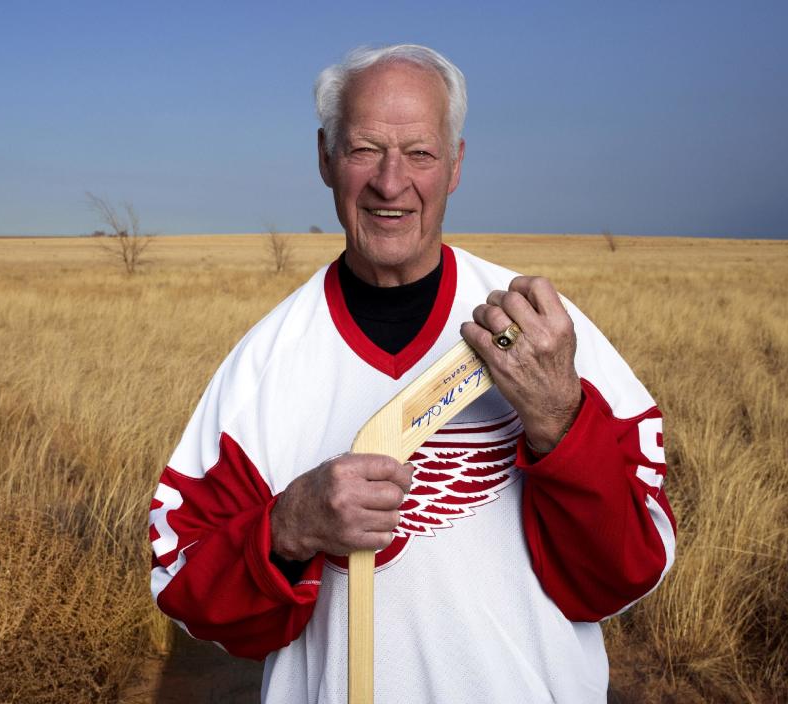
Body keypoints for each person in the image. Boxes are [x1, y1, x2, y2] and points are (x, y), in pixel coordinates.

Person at [148, 44, 676, 703]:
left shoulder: (547, 334)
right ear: (325, 158)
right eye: (365, 148)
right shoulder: (265, 364)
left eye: (420, 153)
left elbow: (623, 577)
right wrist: (287, 529)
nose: (390, 182)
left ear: (454, 165)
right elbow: (186, 589)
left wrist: (560, 421)